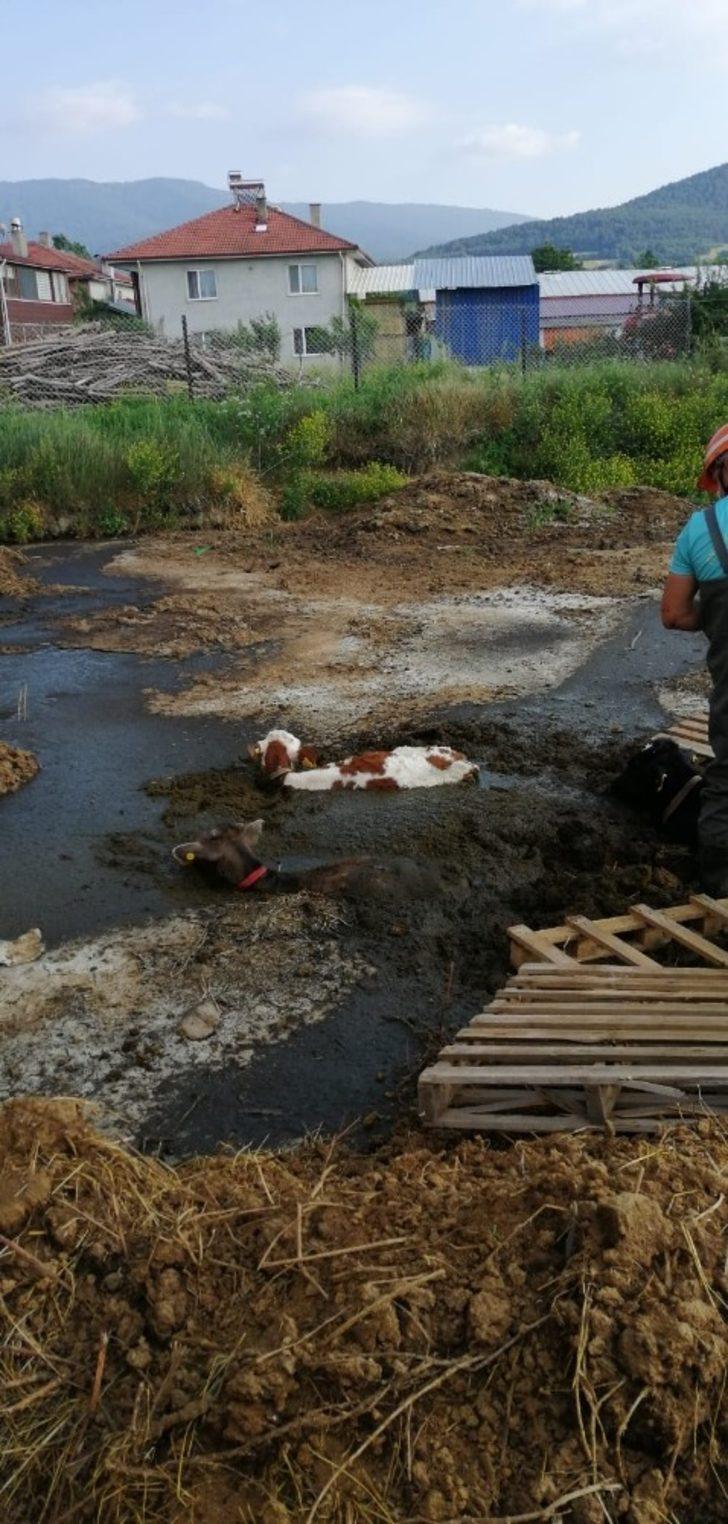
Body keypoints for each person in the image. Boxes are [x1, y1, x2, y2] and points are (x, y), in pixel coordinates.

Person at [661, 423, 728, 893]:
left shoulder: (699, 530)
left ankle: (721, 889)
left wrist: (713, 611)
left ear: (716, 475)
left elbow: (674, 614)